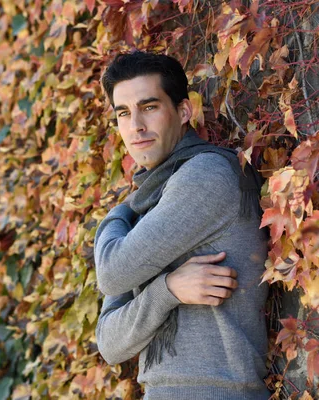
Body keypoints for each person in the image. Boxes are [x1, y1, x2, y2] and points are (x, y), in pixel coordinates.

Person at [94, 51, 269, 400]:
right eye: (124, 114)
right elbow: (110, 343)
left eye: (150, 106)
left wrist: (115, 213)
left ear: (184, 110)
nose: (136, 126)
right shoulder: (149, 203)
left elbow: (112, 272)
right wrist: (167, 290)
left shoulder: (206, 176)